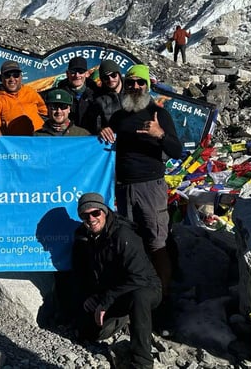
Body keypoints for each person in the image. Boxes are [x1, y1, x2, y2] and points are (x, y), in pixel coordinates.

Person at [98, 64, 182, 315]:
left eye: (140, 83)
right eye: (132, 82)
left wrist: (160, 134)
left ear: (148, 86)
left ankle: (163, 297)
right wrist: (104, 131)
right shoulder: (119, 116)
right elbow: (109, 141)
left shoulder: (159, 114)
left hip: (150, 186)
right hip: (123, 188)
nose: (135, 87)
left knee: (157, 241)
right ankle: (136, 293)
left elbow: (177, 151)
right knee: (130, 242)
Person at [72, 193, 162, 369]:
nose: (91, 219)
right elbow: (80, 273)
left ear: (104, 212)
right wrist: (89, 297)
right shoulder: (82, 237)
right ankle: (123, 319)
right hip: (110, 292)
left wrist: (106, 301)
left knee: (139, 297)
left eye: (96, 213)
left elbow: (139, 277)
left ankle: (142, 361)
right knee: (89, 332)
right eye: (85, 215)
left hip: (145, 287)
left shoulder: (123, 235)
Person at [0, 60, 47, 136]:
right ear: (0, 78)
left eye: (16, 75)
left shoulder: (30, 91)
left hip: (40, 136)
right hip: (17, 141)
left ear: (21, 77)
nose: (12, 79)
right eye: (7, 75)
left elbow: (44, 110)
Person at [84, 59, 124, 134]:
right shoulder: (98, 99)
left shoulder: (133, 89)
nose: (110, 79)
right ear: (102, 80)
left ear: (119, 74)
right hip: (113, 141)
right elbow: (93, 124)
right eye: (106, 78)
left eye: (113, 75)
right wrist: (101, 129)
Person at [57, 56, 98, 128]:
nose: (77, 75)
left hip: (91, 136)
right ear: (67, 73)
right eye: (73, 72)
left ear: (87, 73)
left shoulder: (97, 93)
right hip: (67, 135)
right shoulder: (58, 94)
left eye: (81, 72)